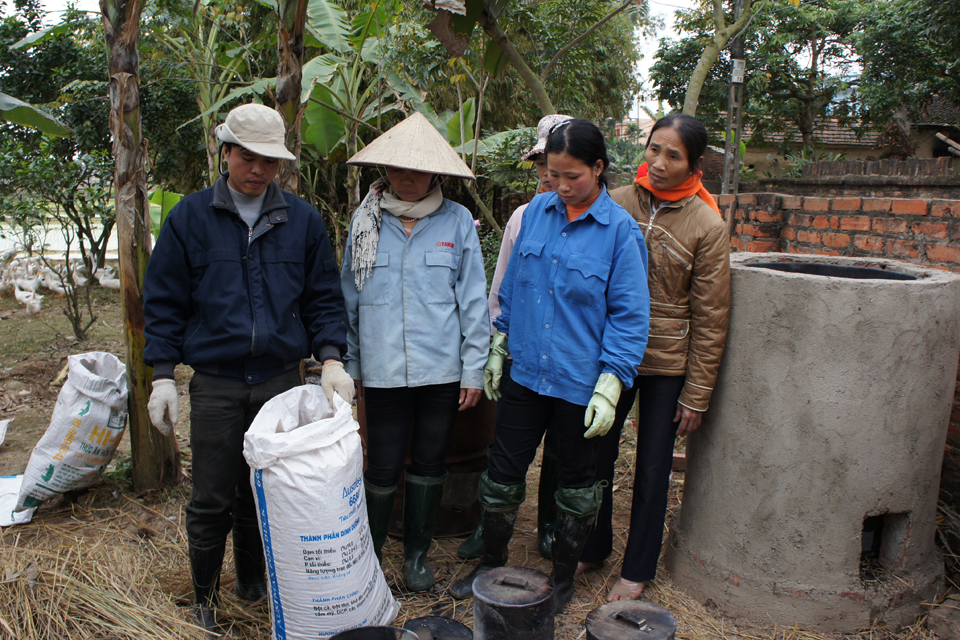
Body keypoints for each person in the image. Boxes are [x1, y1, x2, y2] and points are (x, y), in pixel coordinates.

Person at [142, 103, 353, 635]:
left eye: (269, 161)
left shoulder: (301, 220)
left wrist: (331, 359)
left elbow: (324, 299)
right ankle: (205, 596)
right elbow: (163, 302)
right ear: (226, 152)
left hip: (281, 379)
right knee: (213, 494)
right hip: (216, 382)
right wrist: (163, 373)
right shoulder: (190, 218)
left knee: (268, 490)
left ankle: (254, 581)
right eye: (247, 157)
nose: (257, 169)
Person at [450, 119, 650, 614]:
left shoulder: (621, 233)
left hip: (581, 382)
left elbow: (630, 314)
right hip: (526, 373)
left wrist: (612, 381)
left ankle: (562, 578)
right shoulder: (537, 212)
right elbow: (515, 283)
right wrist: (500, 341)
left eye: (573, 176)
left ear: (599, 169)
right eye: (553, 174)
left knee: (578, 485)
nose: (560, 186)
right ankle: (489, 565)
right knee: (501, 473)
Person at [577, 113, 731, 601]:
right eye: (653, 149)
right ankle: (593, 543)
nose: (658, 163)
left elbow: (711, 316)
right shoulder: (618, 203)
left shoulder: (707, 224)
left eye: (673, 155)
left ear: (695, 163)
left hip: (667, 363)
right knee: (595, 452)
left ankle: (637, 566)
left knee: (652, 468)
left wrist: (697, 393)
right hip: (611, 355)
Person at [341, 112, 489, 593]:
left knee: (430, 462)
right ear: (385, 170)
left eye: (418, 169)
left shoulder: (458, 223)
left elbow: (472, 301)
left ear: (435, 173)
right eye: (399, 169)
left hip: (440, 370)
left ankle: (418, 555)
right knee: (381, 465)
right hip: (382, 370)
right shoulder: (364, 222)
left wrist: (473, 370)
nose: (408, 178)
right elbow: (350, 300)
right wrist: (352, 367)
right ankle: (373, 553)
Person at [457, 113, 574, 562]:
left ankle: (548, 526)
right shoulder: (523, 218)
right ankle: (490, 527)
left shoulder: (603, 223)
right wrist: (494, 346)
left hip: (567, 357)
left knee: (561, 451)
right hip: (520, 354)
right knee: (506, 447)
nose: (548, 172)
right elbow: (501, 288)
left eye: (557, 161)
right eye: (542, 161)